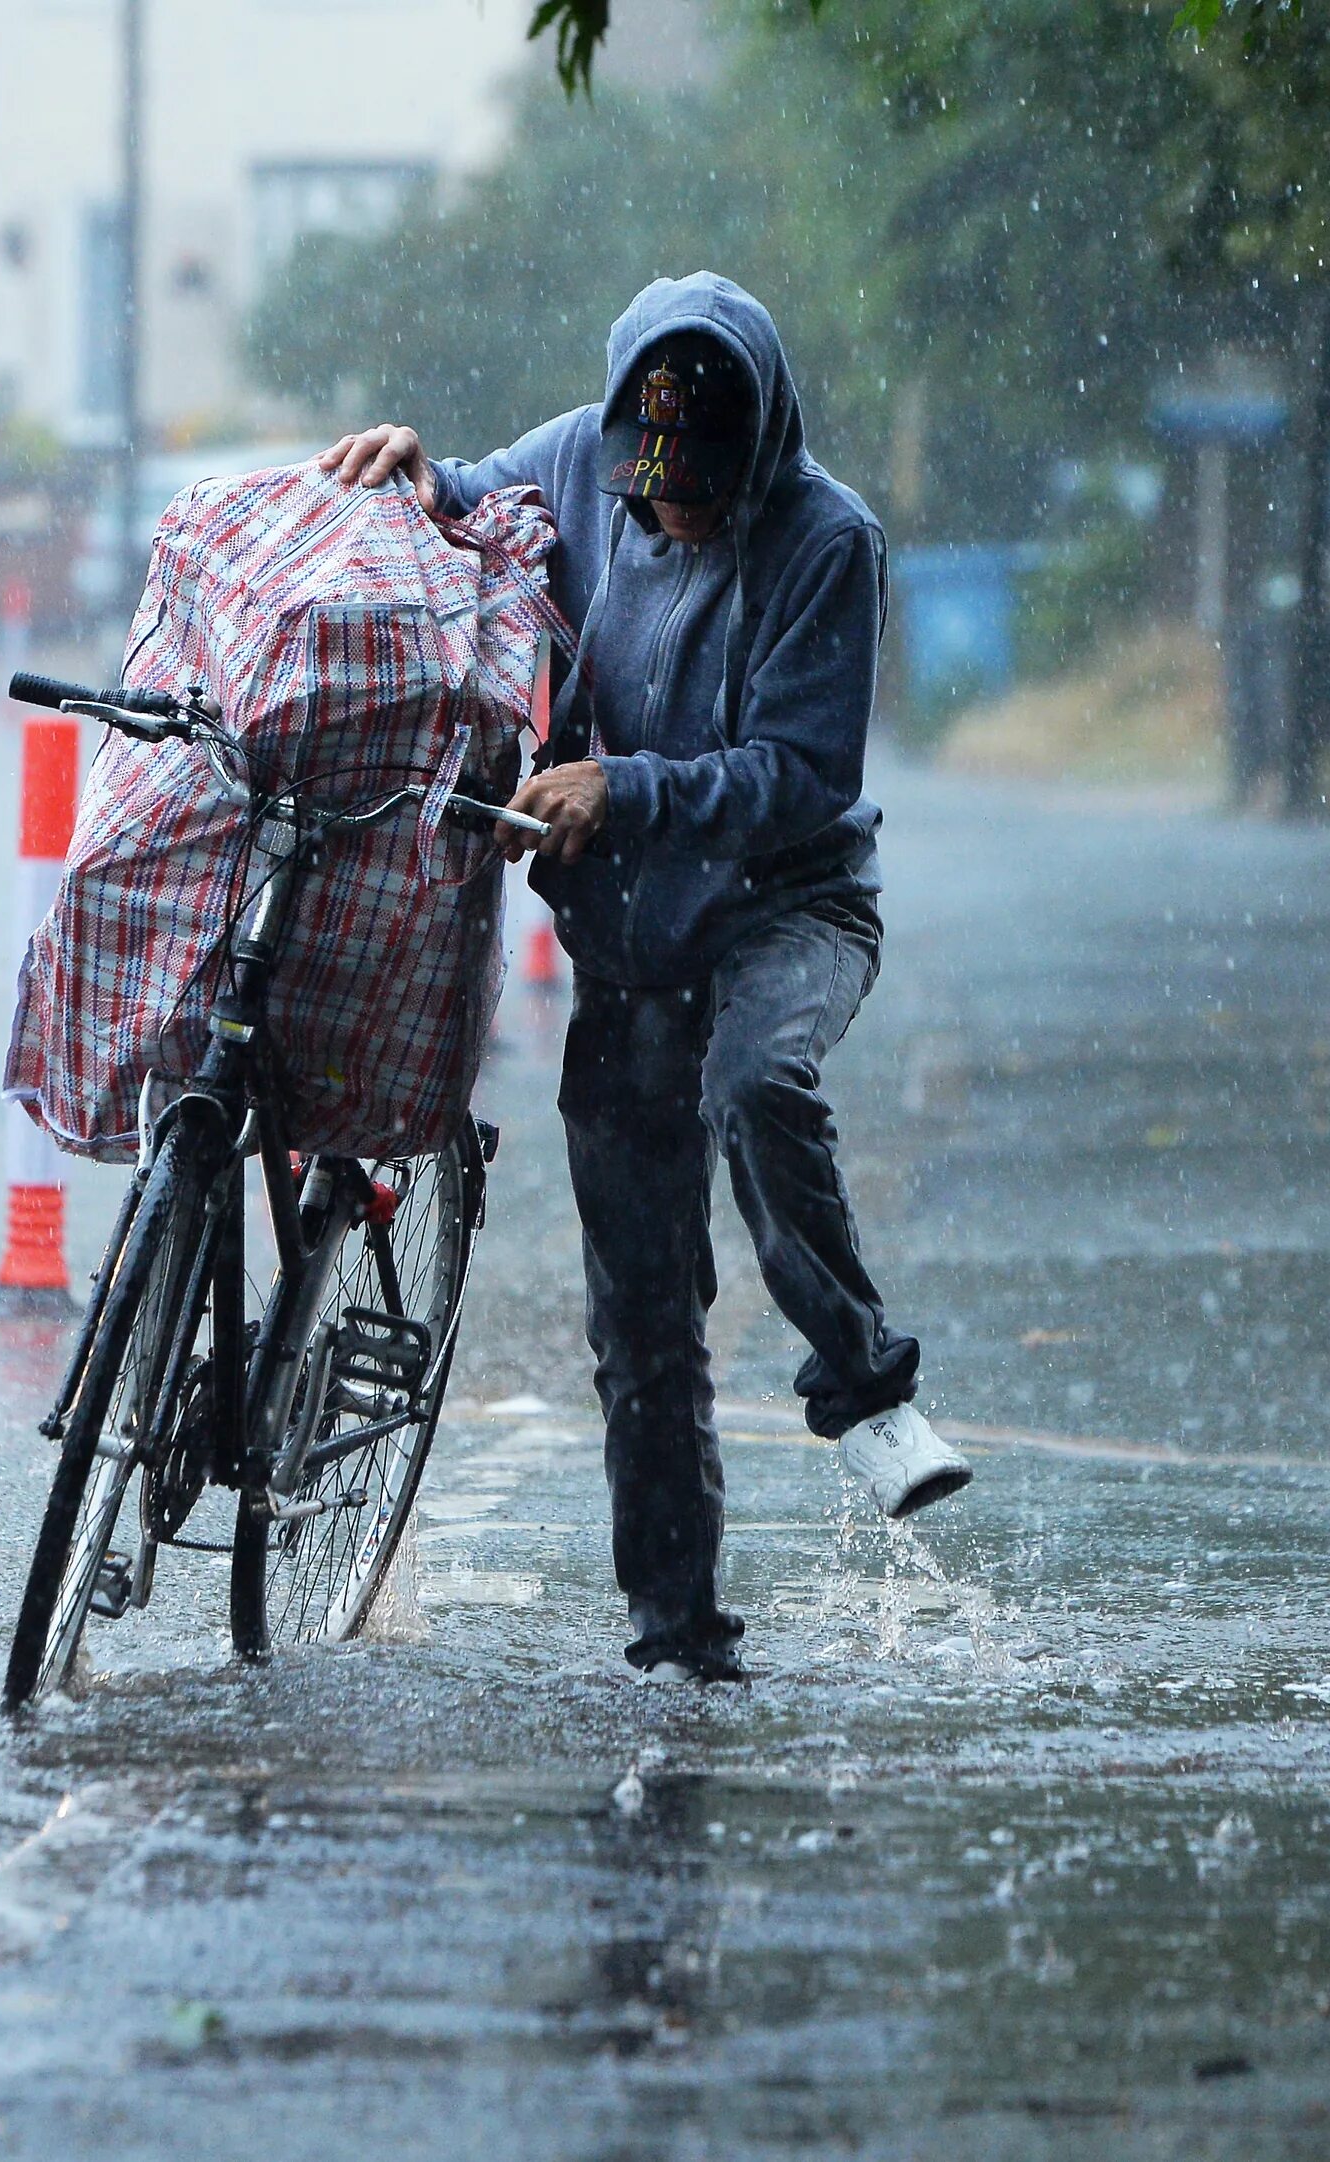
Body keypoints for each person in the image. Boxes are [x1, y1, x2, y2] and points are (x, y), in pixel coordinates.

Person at [319, 271, 967, 1684]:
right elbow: (481, 498)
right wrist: (418, 472)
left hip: (786, 907)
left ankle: (862, 1382)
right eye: (649, 490)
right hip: (628, 934)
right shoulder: (582, 459)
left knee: (758, 1077)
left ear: (758, 454)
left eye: (700, 493)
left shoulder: (824, 541)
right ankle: (679, 1635)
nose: (670, 515)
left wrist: (629, 788)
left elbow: (801, 776)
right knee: (642, 1320)